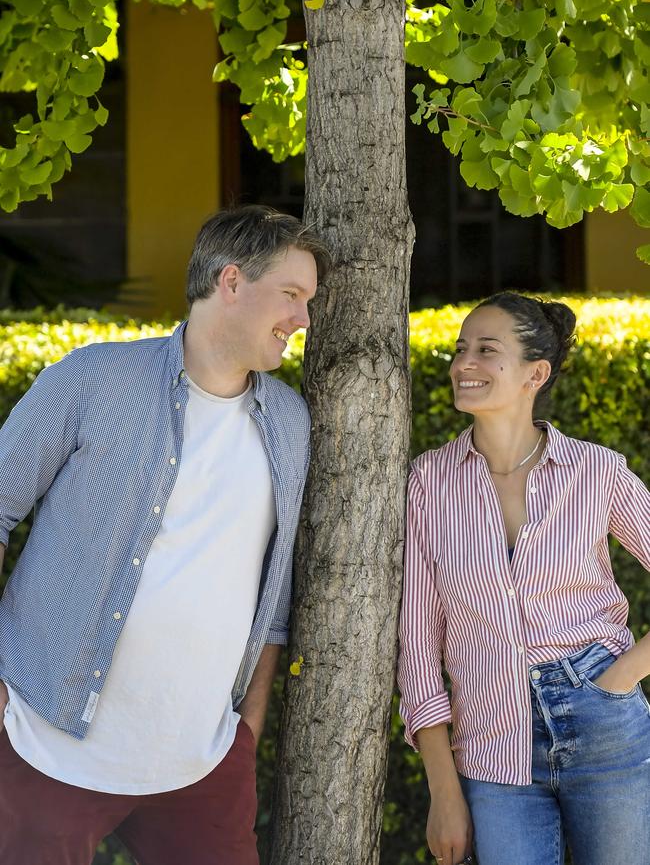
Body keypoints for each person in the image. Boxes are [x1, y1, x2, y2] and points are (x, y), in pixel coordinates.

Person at [0, 205, 330, 865]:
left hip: (201, 763)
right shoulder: (91, 380)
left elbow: (273, 597)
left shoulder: (291, 423)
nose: (303, 320)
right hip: (45, 740)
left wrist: (246, 731)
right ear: (230, 282)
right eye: (291, 296)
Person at [397, 292, 650, 865]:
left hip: (604, 725)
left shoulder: (596, 472)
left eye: (487, 350)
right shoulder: (428, 482)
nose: (464, 364)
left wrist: (620, 679)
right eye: (461, 349)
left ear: (536, 373)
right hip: (490, 745)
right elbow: (417, 642)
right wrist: (442, 789)